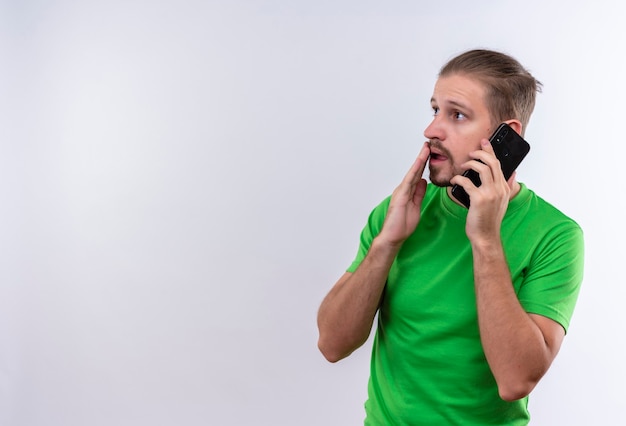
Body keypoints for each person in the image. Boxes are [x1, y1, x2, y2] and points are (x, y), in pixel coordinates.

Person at [316, 49, 584, 425]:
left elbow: (516, 380)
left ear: (506, 135)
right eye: (434, 110)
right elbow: (331, 344)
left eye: (457, 115)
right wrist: (386, 244)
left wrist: (486, 240)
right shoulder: (400, 211)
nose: (432, 130)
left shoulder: (555, 236)